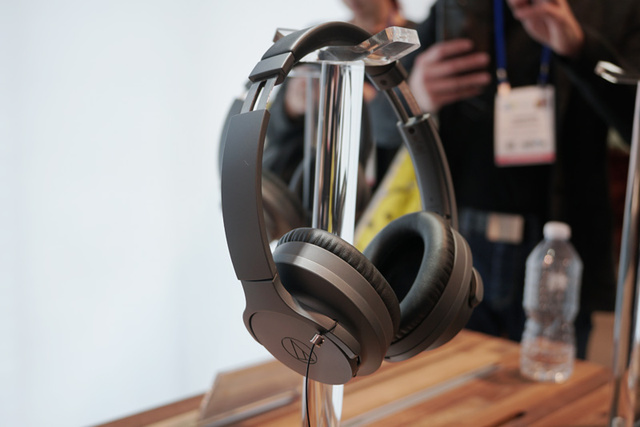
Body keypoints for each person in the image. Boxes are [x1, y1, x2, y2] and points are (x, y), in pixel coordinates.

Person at [406, 0, 640, 357]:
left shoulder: (614, 10)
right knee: (447, 379)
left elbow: (633, 120)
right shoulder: (455, 8)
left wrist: (582, 49)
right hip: (456, 245)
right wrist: (413, 97)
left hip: (561, 248)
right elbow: (381, 123)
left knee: (549, 383)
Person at [264, 0, 416, 190]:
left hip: (382, 192)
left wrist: (368, 102)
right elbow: (275, 129)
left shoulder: (415, 43)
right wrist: (293, 104)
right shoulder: (320, 39)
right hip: (302, 187)